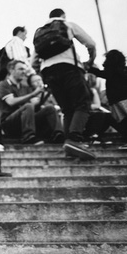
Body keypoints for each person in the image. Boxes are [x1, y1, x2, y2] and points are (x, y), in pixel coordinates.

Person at [34, 8, 97, 160]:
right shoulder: (67, 25)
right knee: (83, 103)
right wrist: (90, 61)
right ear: (63, 16)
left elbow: (34, 60)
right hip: (69, 68)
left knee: (67, 109)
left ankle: (69, 146)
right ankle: (74, 140)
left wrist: (41, 73)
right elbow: (91, 43)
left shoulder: (40, 32)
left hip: (48, 72)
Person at [0, 60, 61, 144]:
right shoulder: (4, 85)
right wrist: (33, 94)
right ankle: (28, 137)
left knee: (50, 109)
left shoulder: (24, 87)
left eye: (25, 69)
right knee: (28, 106)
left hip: (25, 121)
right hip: (9, 124)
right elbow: (11, 102)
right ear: (11, 70)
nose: (24, 72)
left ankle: (58, 135)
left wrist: (39, 100)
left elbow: (31, 105)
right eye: (21, 69)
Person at [88, 49, 127, 147]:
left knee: (116, 119)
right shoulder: (122, 71)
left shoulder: (113, 72)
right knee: (116, 120)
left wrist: (89, 68)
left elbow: (102, 74)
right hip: (118, 101)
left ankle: (94, 136)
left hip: (119, 101)